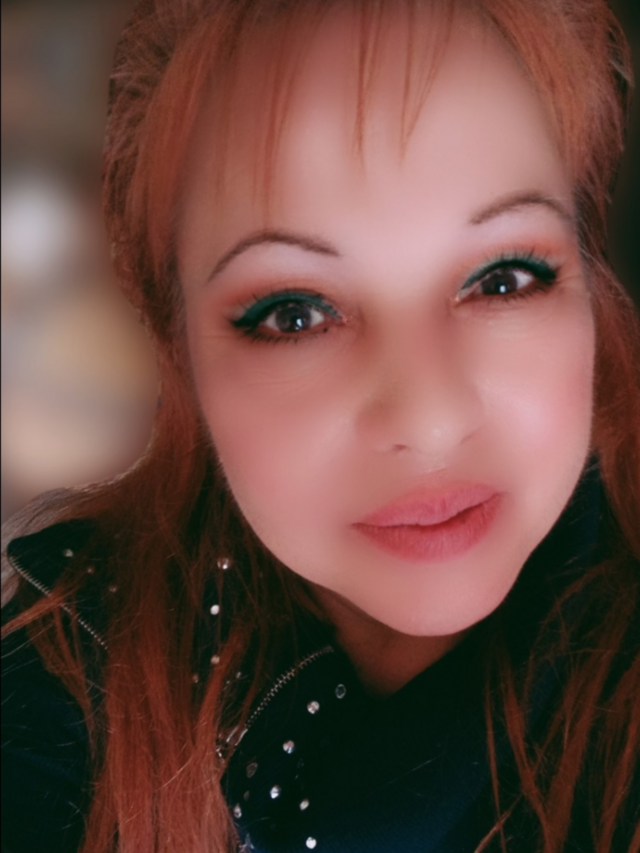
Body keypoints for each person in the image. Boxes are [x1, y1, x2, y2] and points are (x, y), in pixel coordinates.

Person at [2, 0, 639, 851]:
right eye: (295, 313)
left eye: (503, 278)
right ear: (176, 343)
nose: (431, 422)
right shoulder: (62, 685)